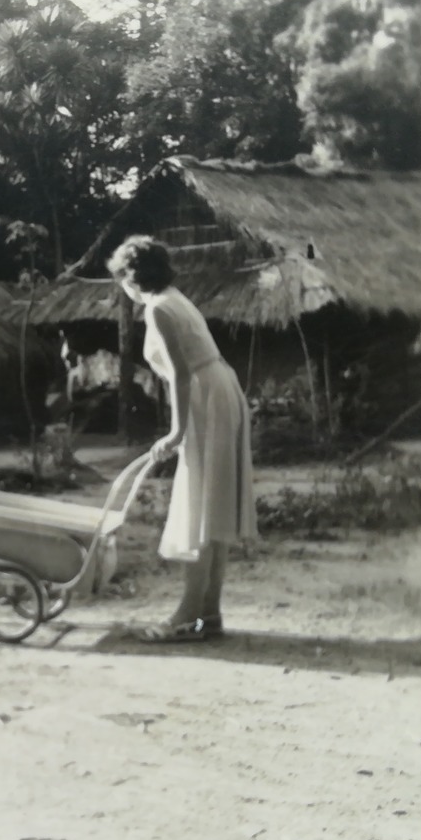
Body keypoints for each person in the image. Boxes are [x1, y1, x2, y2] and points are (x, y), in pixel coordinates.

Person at [108, 235, 256, 641]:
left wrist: (176, 431)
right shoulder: (175, 298)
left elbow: (181, 374)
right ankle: (207, 614)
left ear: (130, 278)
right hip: (220, 389)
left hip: (208, 396)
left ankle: (188, 616)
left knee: (201, 506)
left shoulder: (159, 309)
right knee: (212, 506)